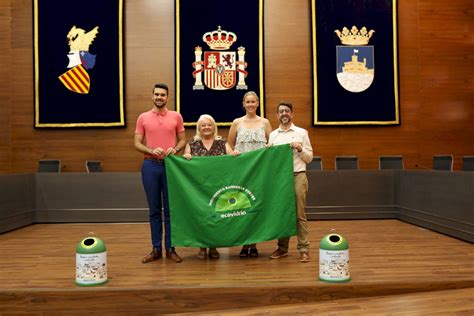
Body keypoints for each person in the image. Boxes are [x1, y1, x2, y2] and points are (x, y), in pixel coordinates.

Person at [134, 83, 187, 263]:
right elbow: (136, 143)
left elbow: (182, 140)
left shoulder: (176, 116)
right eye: (156, 94)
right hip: (150, 165)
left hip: (171, 166)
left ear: (167, 97)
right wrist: (150, 149)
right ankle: (156, 249)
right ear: (152, 96)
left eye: (162, 95)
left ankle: (171, 248)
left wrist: (175, 148)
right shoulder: (143, 117)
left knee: (170, 210)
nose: (159, 97)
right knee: (154, 210)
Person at [267, 101, 313, 263]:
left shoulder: (301, 132)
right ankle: (282, 248)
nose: (284, 114)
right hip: (280, 179)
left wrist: (300, 149)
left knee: (299, 214)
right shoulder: (273, 135)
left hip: (297, 175)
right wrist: (268, 152)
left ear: (292, 114)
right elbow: (270, 161)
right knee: (282, 213)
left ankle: (304, 248)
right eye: (281, 112)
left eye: (287, 111)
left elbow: (309, 158)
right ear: (277, 115)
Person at [183, 114, 234, 259]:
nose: (206, 127)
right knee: (201, 216)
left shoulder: (221, 141)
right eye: (203, 125)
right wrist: (186, 157)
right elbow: (185, 161)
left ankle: (213, 246)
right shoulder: (192, 142)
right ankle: (201, 246)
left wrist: (235, 154)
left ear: (214, 127)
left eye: (209, 125)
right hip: (197, 188)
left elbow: (231, 156)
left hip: (217, 187)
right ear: (199, 128)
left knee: (215, 217)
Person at [228, 91, 272, 258]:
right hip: (242, 171)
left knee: (256, 205)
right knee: (243, 205)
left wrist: (269, 147)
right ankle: (245, 243)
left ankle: (254, 244)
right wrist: (233, 153)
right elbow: (229, 144)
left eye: (254, 101)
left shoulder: (265, 122)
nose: (251, 104)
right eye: (248, 101)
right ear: (243, 104)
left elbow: (272, 142)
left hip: (260, 171)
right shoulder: (237, 123)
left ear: (258, 103)